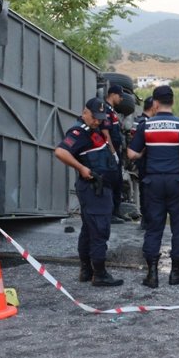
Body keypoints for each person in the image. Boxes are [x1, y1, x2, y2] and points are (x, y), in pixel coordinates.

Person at [127, 85, 179, 288]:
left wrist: (144, 152)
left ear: (156, 103)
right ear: (173, 102)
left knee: (153, 227)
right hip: (176, 182)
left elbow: (132, 154)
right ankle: (176, 272)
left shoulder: (146, 126)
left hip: (152, 183)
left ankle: (152, 274)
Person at [53, 98, 124, 286]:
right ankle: (99, 274)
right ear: (85, 112)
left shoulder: (94, 130)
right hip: (94, 190)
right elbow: (60, 152)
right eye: (94, 117)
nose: (97, 121)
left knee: (89, 229)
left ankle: (86, 271)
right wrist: (81, 168)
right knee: (100, 229)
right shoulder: (79, 132)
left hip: (99, 189)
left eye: (100, 118)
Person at [130, 96, 157, 229]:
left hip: (144, 163)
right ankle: (147, 222)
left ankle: (147, 221)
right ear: (153, 107)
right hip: (145, 162)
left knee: (145, 192)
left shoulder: (138, 121)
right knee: (147, 193)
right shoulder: (144, 123)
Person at [102, 84, 127, 223]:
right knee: (111, 182)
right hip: (110, 152)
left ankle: (116, 212)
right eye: (120, 96)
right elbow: (106, 132)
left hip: (117, 150)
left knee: (118, 183)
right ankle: (110, 214)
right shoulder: (105, 109)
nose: (122, 99)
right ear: (113, 94)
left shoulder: (112, 110)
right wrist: (112, 152)